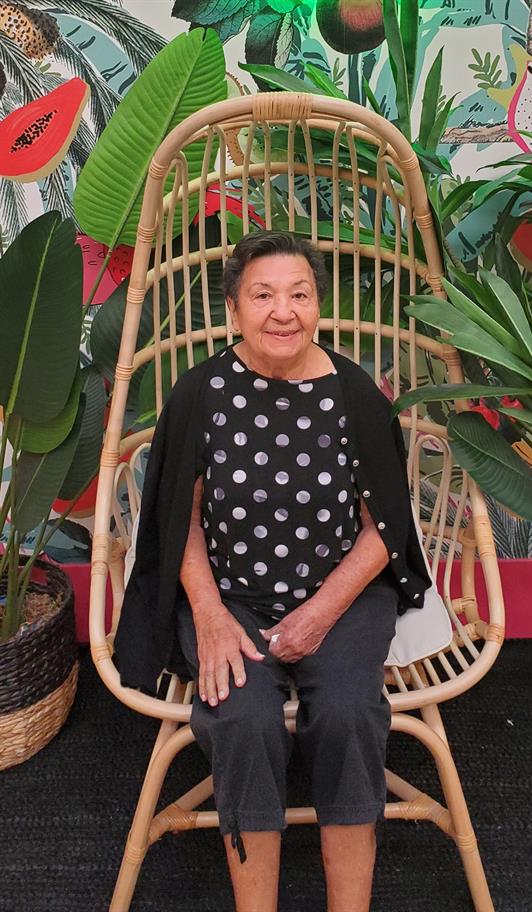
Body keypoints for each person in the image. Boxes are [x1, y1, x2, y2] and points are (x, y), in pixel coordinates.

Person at [114, 231, 432, 912]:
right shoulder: (201, 394)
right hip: (229, 596)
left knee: (348, 714)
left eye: (298, 294)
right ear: (233, 310)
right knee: (241, 718)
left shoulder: (354, 396)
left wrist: (320, 613)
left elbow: (386, 532)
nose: (281, 311)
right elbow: (180, 523)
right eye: (262, 296)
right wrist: (208, 613)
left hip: (342, 594)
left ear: (318, 306)